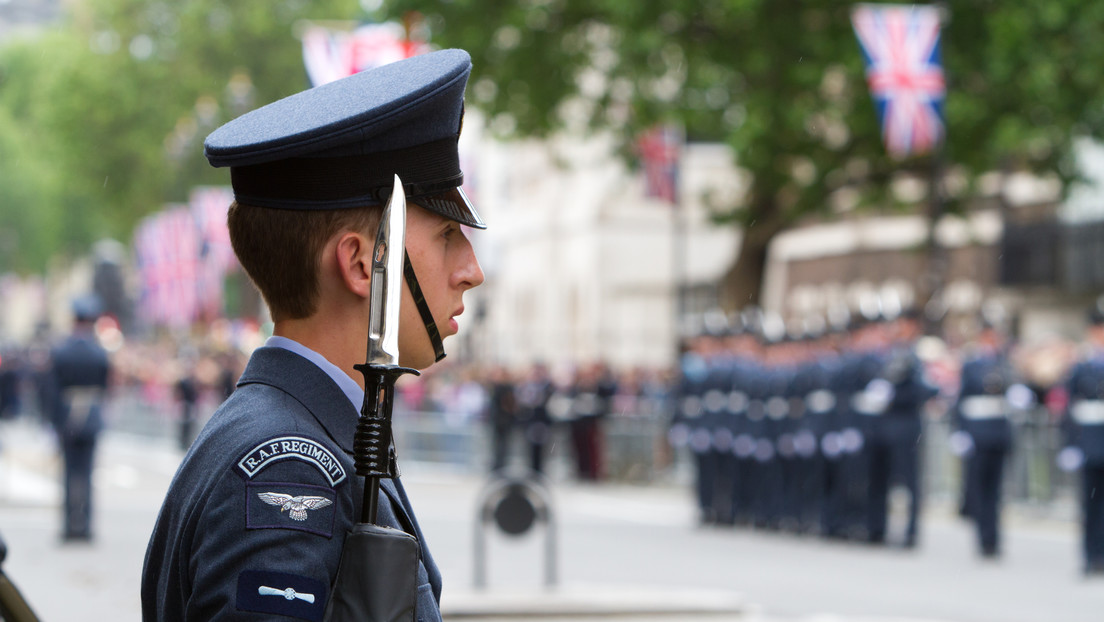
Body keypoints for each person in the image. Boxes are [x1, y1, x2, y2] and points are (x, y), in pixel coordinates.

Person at [141, 49, 486, 621]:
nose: (472, 269)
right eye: (448, 234)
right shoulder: (287, 469)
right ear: (359, 265)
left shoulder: (297, 431)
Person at [49, 295, 111, 542]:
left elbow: (52, 389)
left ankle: (68, 526)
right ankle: (84, 526)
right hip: (92, 416)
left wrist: (55, 420)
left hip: (67, 416)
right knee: (86, 474)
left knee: (68, 474)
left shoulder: (61, 350)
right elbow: (105, 386)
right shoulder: (99, 353)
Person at [1058, 297, 1104, 575]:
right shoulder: (1080, 366)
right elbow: (1068, 407)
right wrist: (1070, 445)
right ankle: (1090, 555)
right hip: (1088, 443)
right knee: (1090, 504)